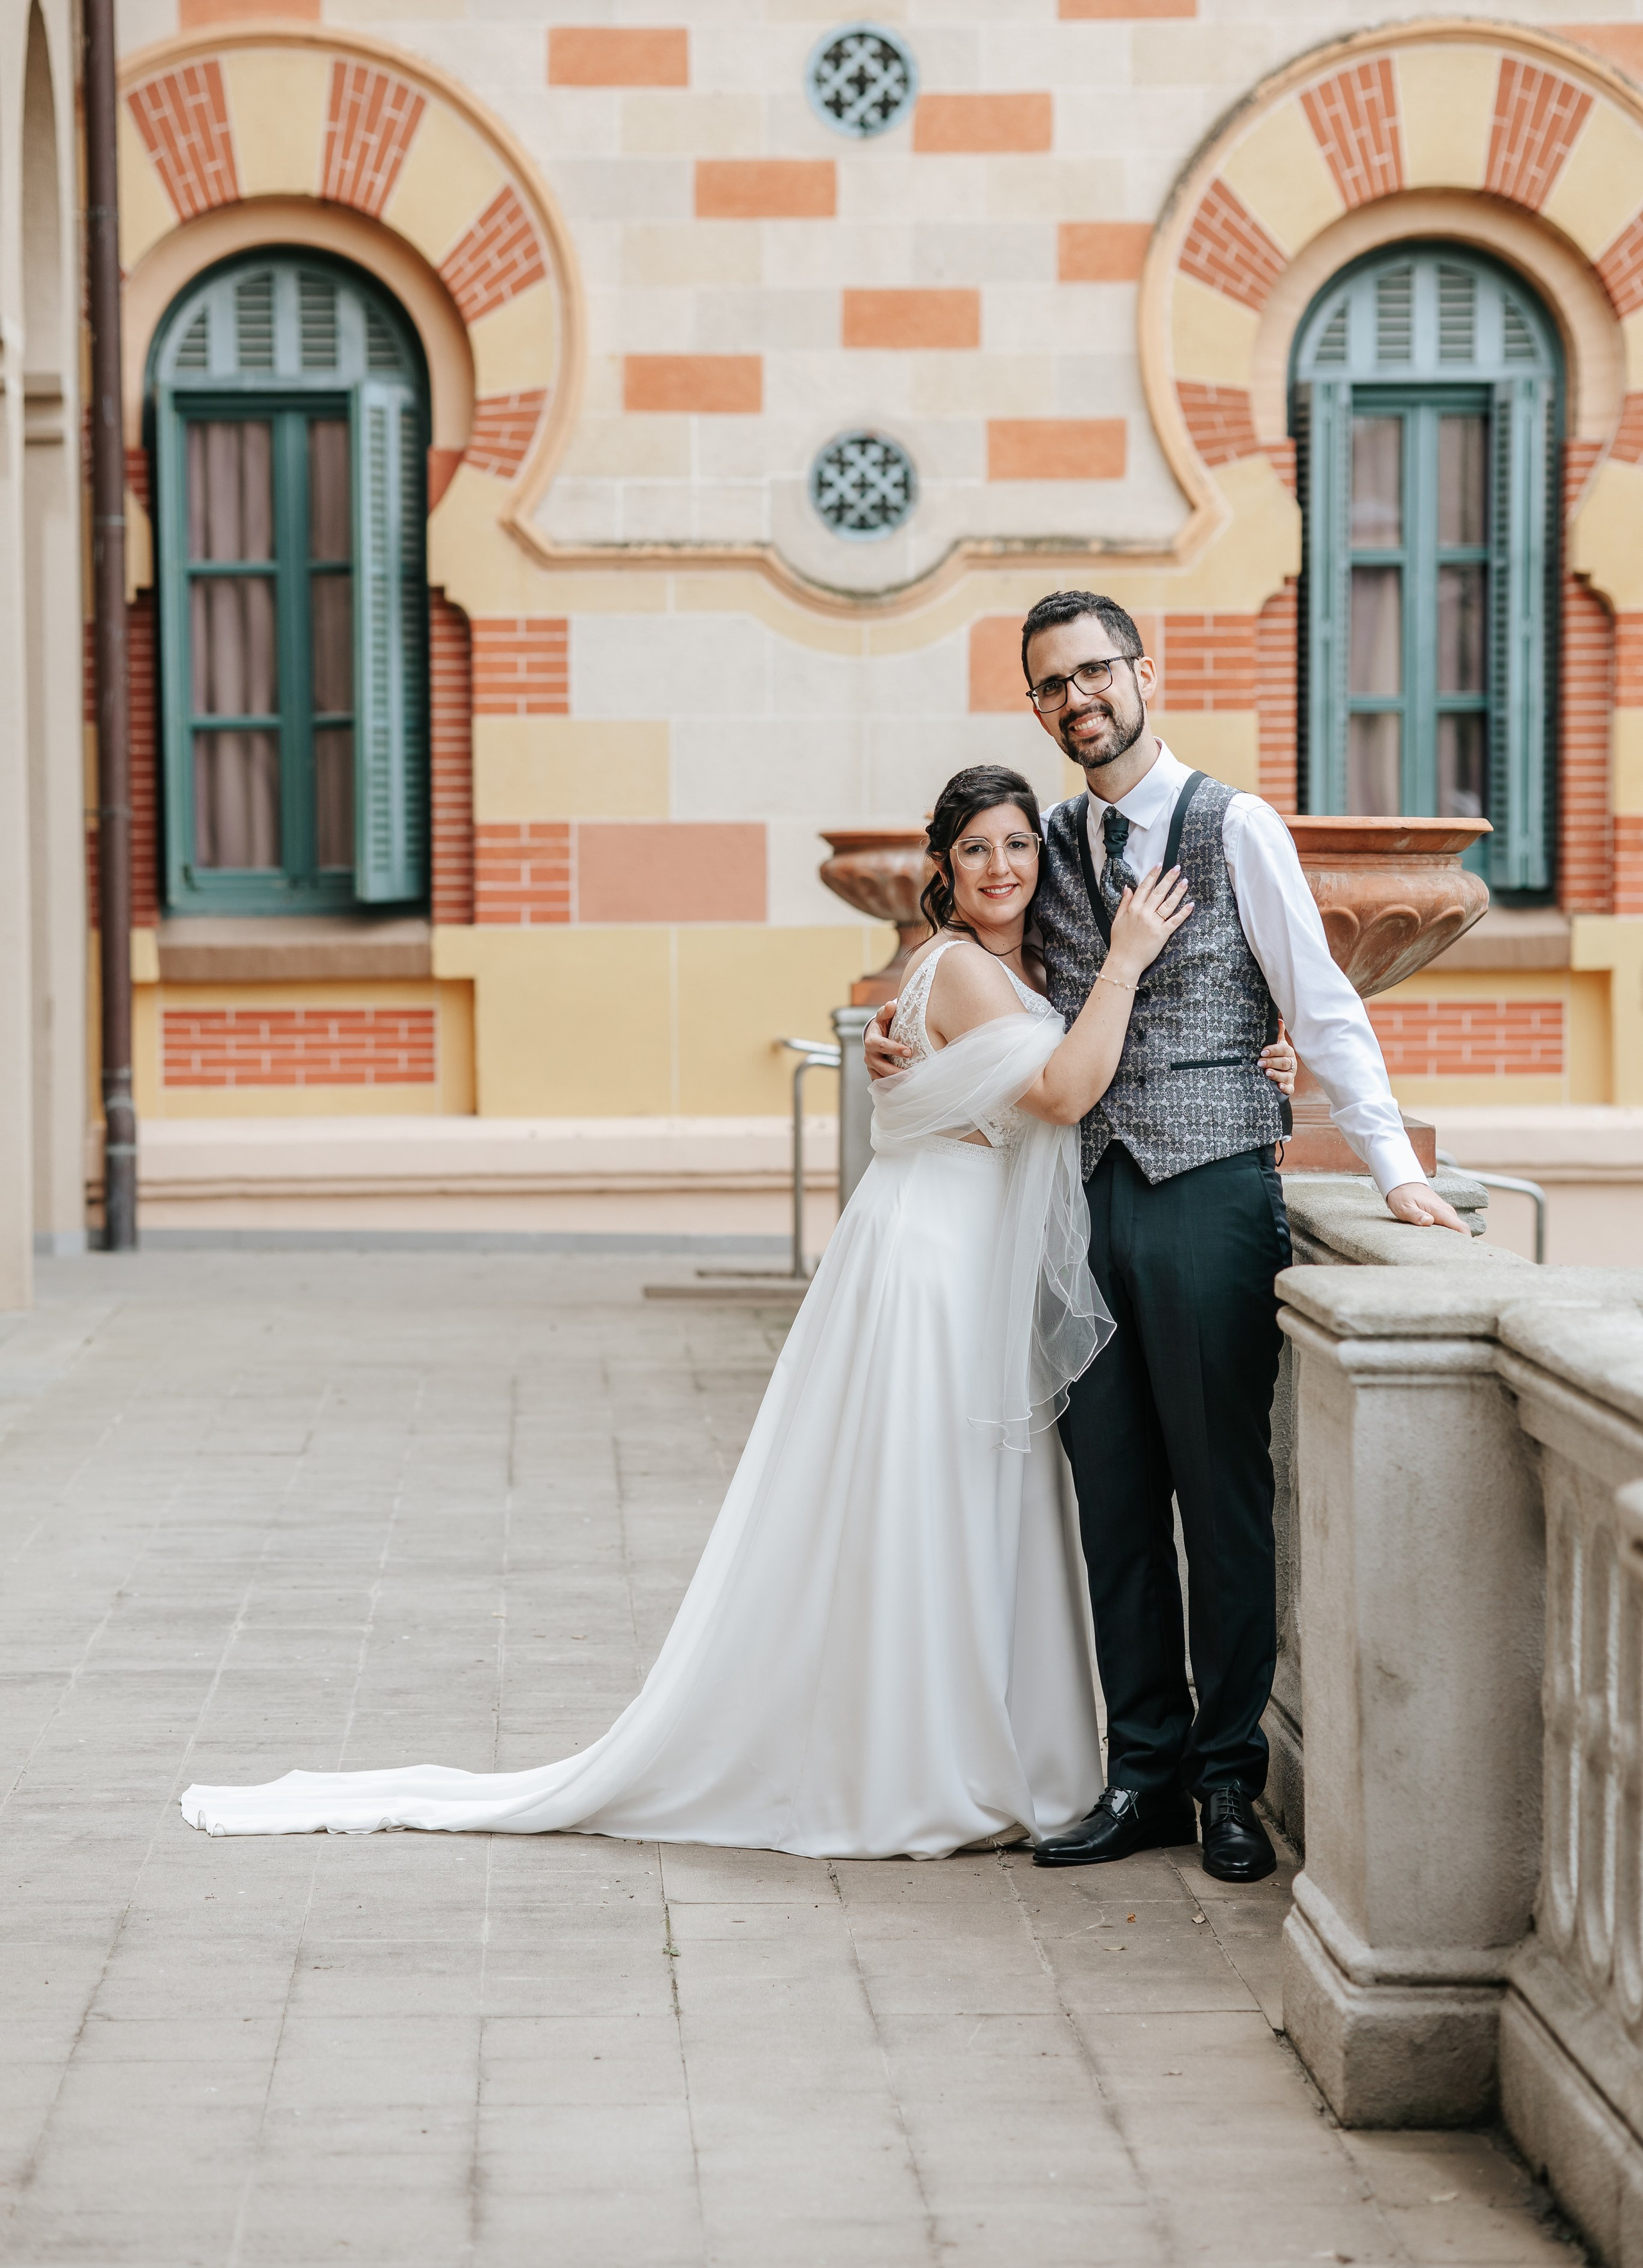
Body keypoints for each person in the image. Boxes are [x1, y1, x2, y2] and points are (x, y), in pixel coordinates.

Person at [182, 762, 1295, 1862]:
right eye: (976, 850)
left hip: (959, 1251)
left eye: (1017, 847)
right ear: (942, 873)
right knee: (934, 1506)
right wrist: (1131, 963)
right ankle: (927, 1761)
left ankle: (978, 1745)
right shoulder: (960, 969)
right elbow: (1058, 1090)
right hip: (938, 1267)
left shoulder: (991, 967)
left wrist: (1265, 1039)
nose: (1003, 866)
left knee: (958, 1510)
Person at [868, 592, 1470, 1884]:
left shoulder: (1232, 823)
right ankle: (1136, 1775)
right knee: (1116, 1503)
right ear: (1034, 708)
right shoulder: (1054, 837)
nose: (1078, 698)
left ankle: (1222, 1785)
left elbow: (1315, 999)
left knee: (1222, 1498)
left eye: (1094, 671)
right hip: (1077, 1203)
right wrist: (892, 1037)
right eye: (1051, 685)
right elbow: (982, 974)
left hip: (1207, 1191)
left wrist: (1388, 1163)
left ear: (1141, 672)